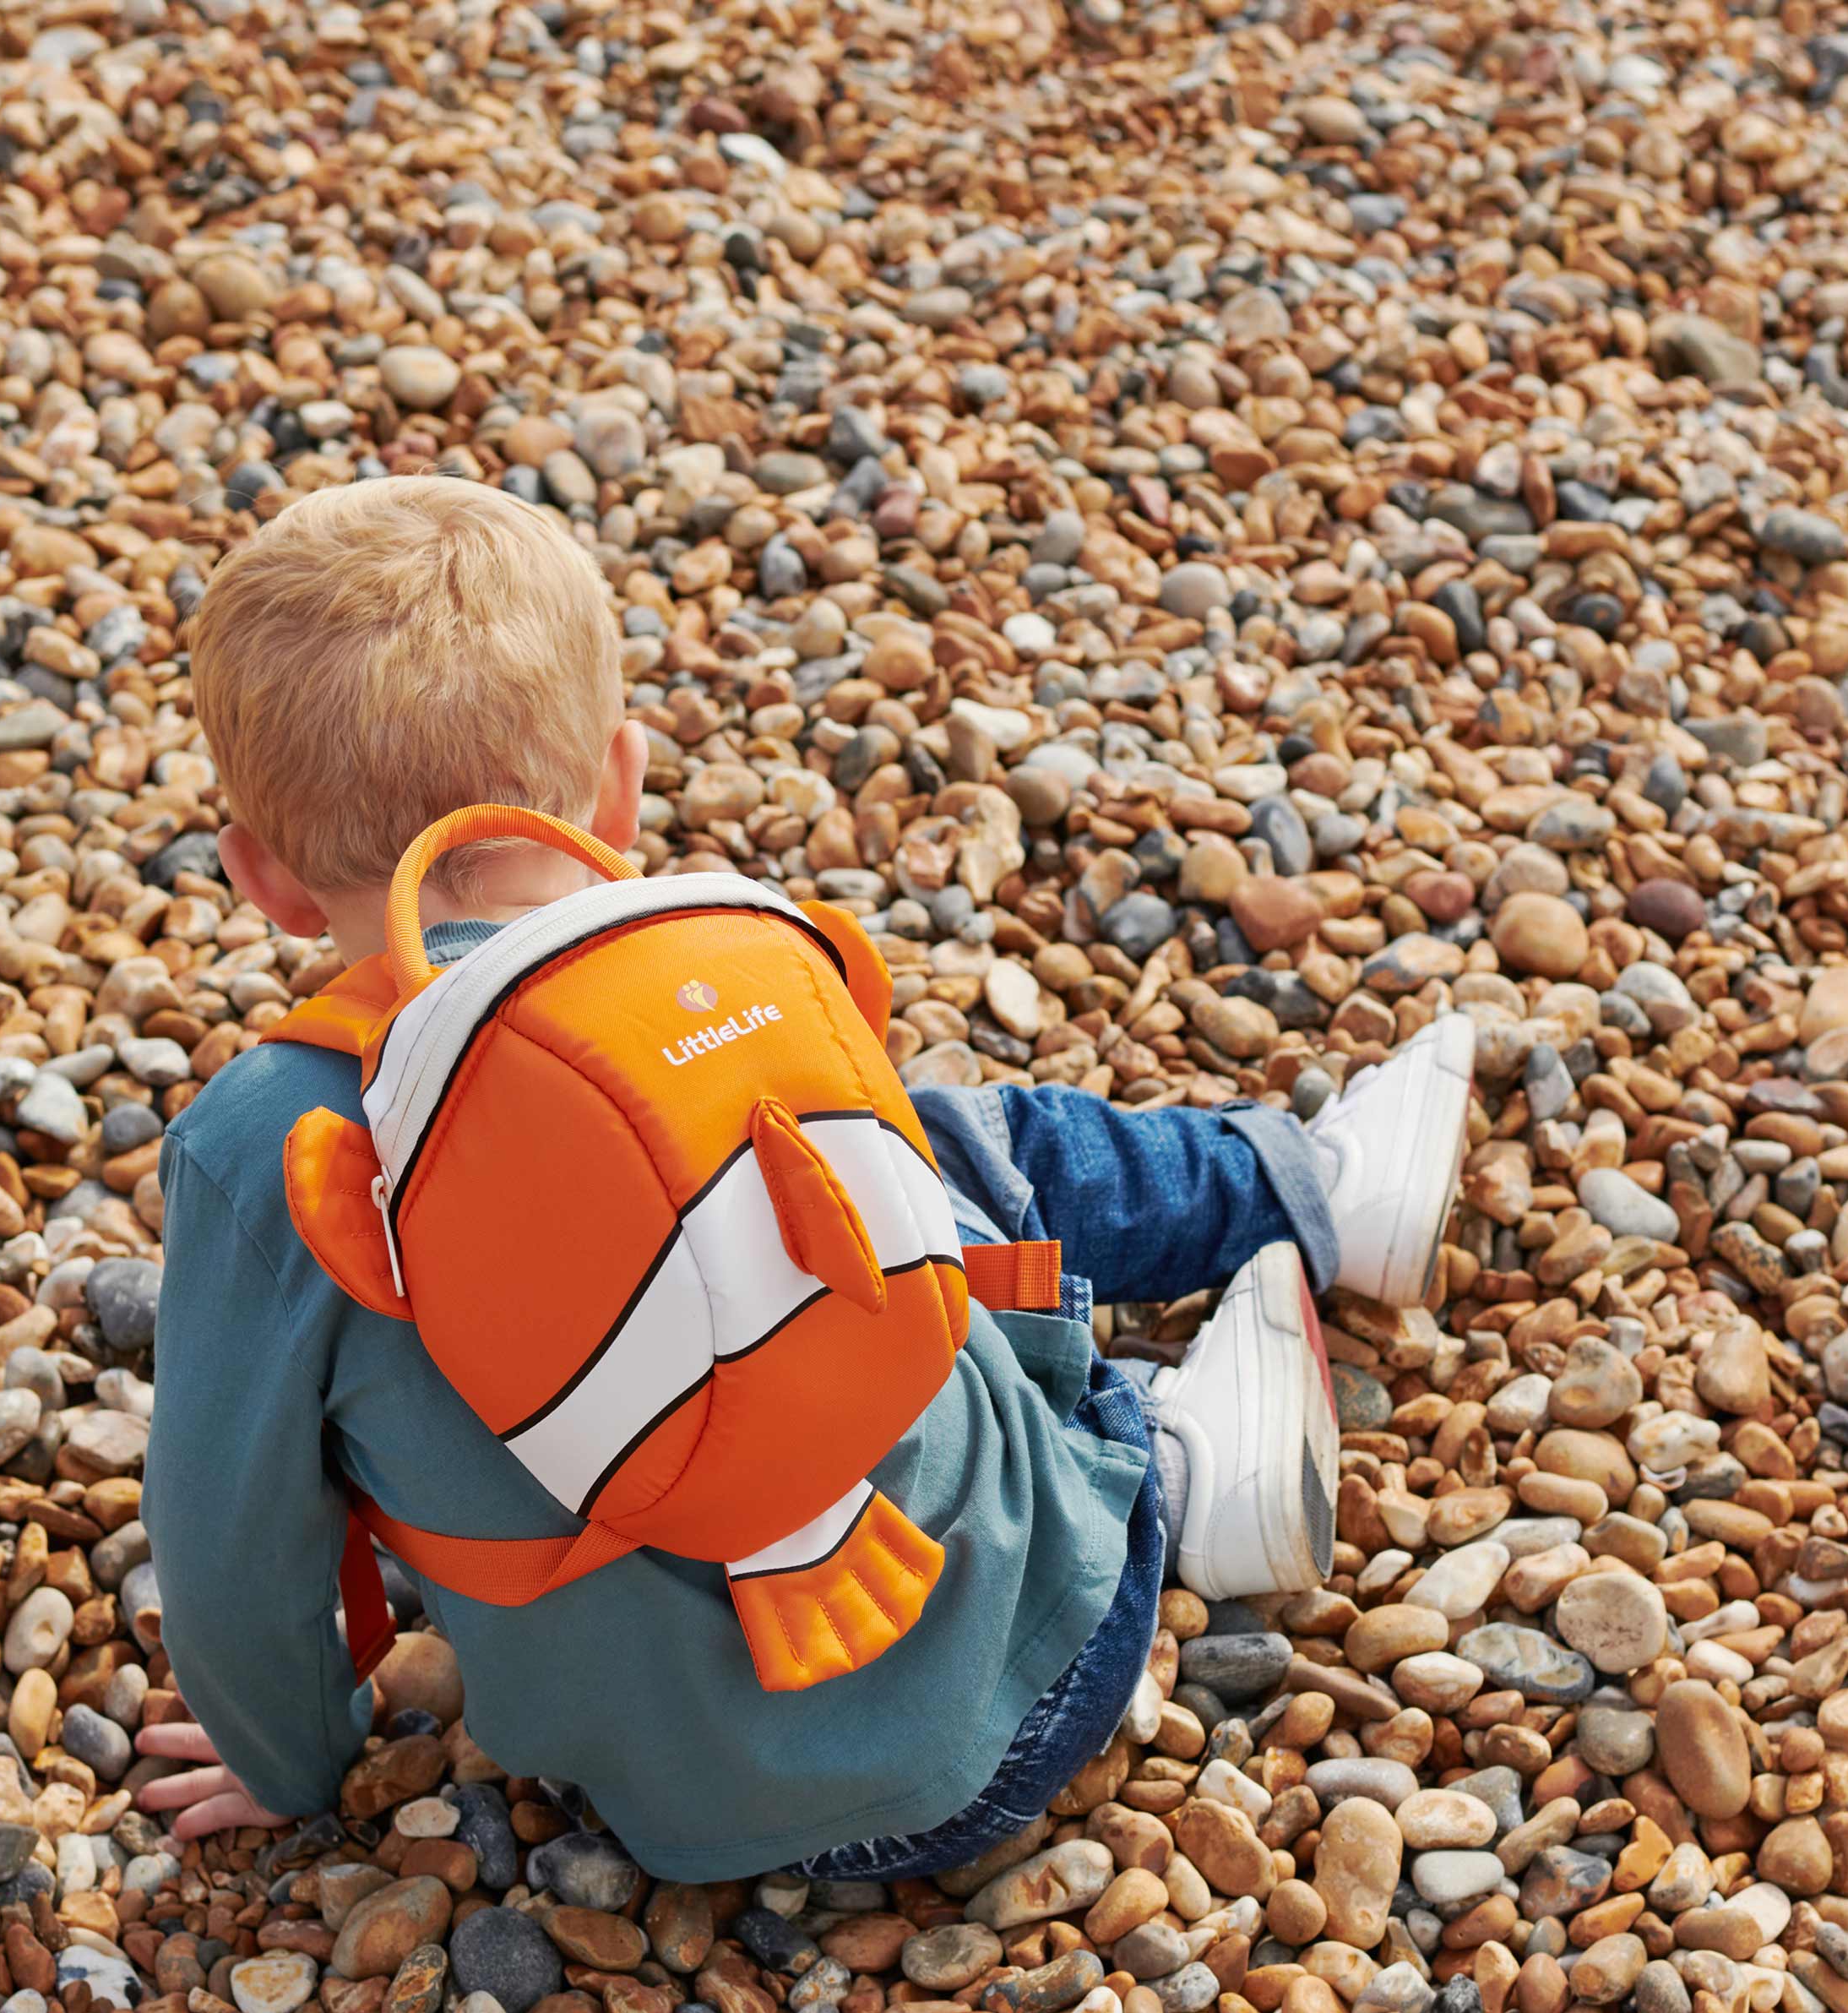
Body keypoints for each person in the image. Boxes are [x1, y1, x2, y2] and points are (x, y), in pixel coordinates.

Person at [134, 476, 1476, 1881]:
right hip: (1062, 1617)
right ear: (619, 784)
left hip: (709, 1812)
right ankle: (1268, 1265)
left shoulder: (262, 1156)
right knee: (959, 1156)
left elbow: (231, 1539)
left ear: (265, 884)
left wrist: (289, 1758)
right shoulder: (720, 977)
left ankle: (1191, 1460)